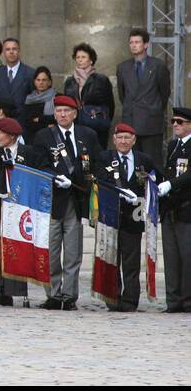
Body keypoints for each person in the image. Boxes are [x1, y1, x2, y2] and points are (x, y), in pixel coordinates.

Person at [27, 96, 94, 311]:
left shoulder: (87, 135)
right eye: (59, 111)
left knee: (73, 253)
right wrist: (54, 177)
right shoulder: (44, 136)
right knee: (52, 251)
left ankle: (69, 295)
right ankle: (54, 294)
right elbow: (39, 163)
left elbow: (96, 163)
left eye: (66, 110)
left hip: (76, 201)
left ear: (75, 113)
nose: (62, 114)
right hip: (52, 200)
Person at [93, 124, 158, 312]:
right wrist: (119, 191)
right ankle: (112, 298)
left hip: (133, 217)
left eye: (127, 138)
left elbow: (154, 179)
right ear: (114, 139)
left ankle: (130, 300)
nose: (123, 141)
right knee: (111, 259)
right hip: (110, 215)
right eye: (120, 137)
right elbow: (100, 178)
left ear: (134, 140)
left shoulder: (144, 159)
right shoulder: (105, 157)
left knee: (131, 262)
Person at [0, 117, 36, 307]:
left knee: (16, 249)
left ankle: (18, 290)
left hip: (19, 209)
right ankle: (0, 290)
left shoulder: (28, 153)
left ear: (11, 136)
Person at [115, 27, 172, 162]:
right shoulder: (123, 67)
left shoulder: (158, 66)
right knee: (132, 161)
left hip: (151, 122)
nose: (134, 45)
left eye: (137, 42)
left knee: (152, 161)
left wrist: (154, 108)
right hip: (130, 120)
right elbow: (122, 94)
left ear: (146, 44)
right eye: (131, 42)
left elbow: (164, 93)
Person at [158, 107, 191, 313]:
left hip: (187, 207)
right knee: (171, 257)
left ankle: (188, 300)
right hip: (170, 208)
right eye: (173, 122)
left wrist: (172, 184)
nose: (175, 125)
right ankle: (173, 300)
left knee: (187, 257)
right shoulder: (172, 145)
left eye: (180, 121)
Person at [62, 42, 115, 149]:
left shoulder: (101, 80)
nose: (80, 59)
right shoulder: (70, 81)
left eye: (83, 57)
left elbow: (110, 105)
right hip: (75, 124)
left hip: (96, 125)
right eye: (77, 57)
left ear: (91, 60)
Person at [0, 37, 34, 111]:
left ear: (19, 51)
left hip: (22, 120)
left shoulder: (30, 73)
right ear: (3, 53)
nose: (11, 52)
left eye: (14, 49)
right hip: (2, 119)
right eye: (8, 49)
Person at [22, 67, 57, 139]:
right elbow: (28, 122)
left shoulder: (57, 97)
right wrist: (46, 125)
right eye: (38, 80)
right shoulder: (29, 99)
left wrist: (40, 119)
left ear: (49, 82)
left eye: (44, 80)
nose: (41, 82)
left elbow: (58, 117)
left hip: (52, 137)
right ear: (34, 82)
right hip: (33, 138)